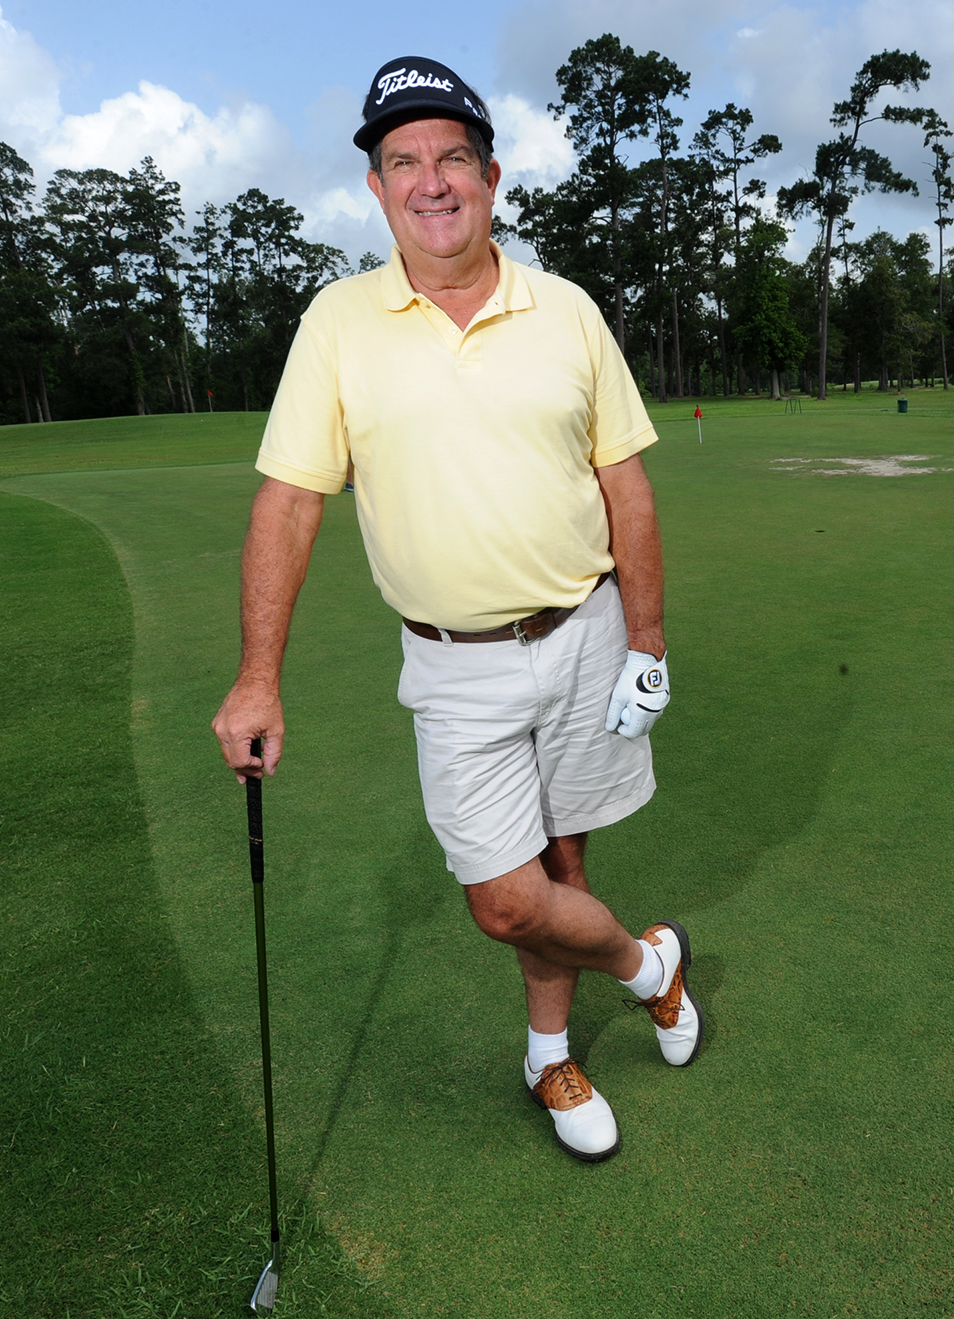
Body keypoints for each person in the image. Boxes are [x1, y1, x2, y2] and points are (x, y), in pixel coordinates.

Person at [209, 56, 700, 1165]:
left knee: (562, 865)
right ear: (377, 192)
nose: (430, 181)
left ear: (490, 176)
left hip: (581, 634)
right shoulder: (337, 325)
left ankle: (547, 1053)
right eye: (402, 162)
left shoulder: (566, 310)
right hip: (453, 663)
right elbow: (289, 501)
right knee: (505, 898)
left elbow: (626, 483)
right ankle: (645, 963)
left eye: (450, 157)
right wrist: (255, 675)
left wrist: (647, 639)